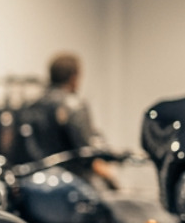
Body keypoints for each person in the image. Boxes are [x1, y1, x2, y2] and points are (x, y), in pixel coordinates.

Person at [18, 52, 118, 188]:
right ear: (74, 76)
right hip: (71, 184)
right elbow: (86, 151)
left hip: (37, 185)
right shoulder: (73, 104)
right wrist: (111, 178)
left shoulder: (31, 107)